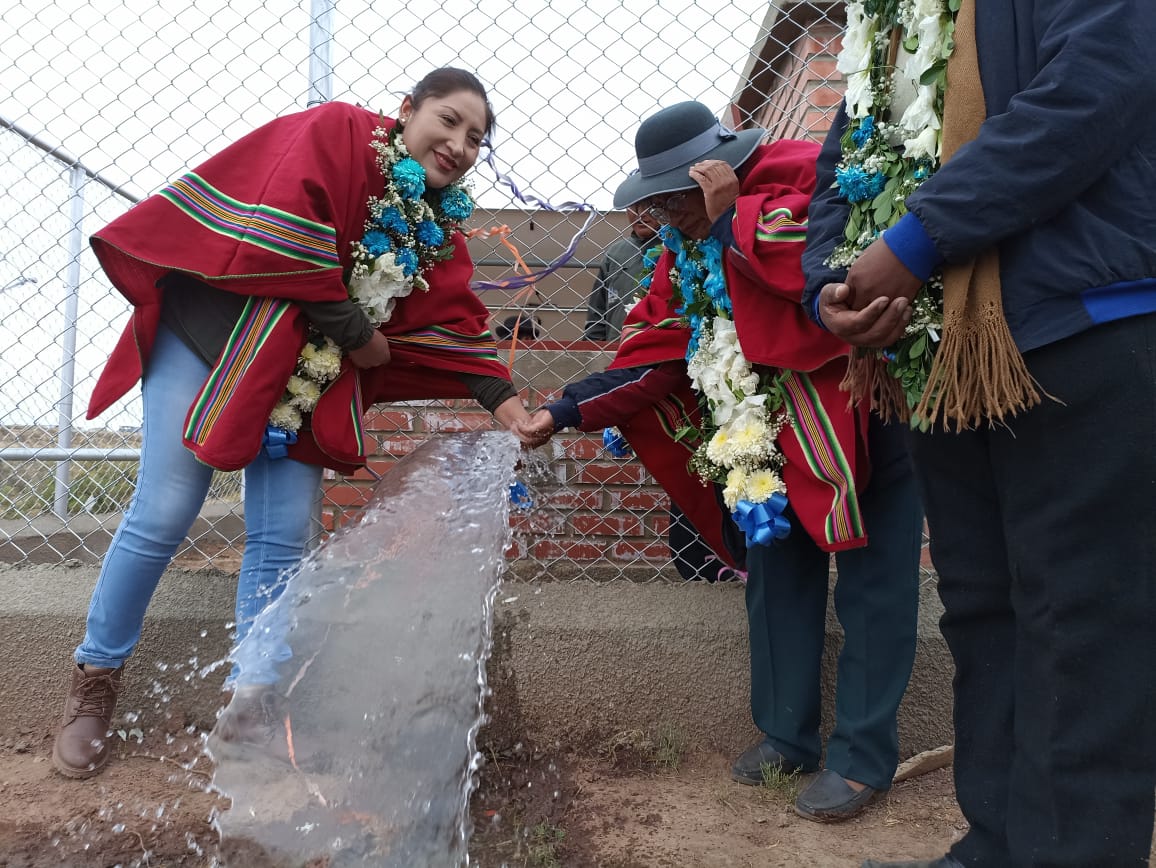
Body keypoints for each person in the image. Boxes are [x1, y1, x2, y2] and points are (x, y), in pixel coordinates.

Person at [51, 67, 534, 780]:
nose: (460, 143)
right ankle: (94, 685)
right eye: (449, 120)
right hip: (209, 335)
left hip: (306, 372)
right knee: (164, 511)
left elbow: (457, 320)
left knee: (284, 532)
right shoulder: (338, 132)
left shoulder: (434, 226)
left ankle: (252, 704)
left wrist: (508, 406)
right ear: (407, 111)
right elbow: (284, 237)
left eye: (476, 137)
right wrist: (357, 332)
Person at [802, 2, 1156, 865]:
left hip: (1079, 322)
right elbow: (841, 165)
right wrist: (831, 290)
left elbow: (1089, 96)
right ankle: (995, 839)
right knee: (983, 609)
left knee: (1081, 621)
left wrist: (916, 242)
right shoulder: (890, 21)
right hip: (942, 349)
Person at [516, 101, 924, 821]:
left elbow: (831, 274)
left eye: (678, 197)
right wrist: (568, 407)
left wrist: (735, 218)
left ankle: (862, 758)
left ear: (719, 169)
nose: (672, 217)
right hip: (767, 433)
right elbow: (657, 347)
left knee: (875, 586)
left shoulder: (802, 176)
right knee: (775, 575)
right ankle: (785, 734)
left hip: (861, 416)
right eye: (660, 203)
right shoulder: (684, 247)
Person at [583, 206, 660, 341]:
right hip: (615, 346)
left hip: (660, 346)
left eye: (648, 206)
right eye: (634, 208)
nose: (640, 214)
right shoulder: (615, 253)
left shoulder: (677, 249)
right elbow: (597, 311)